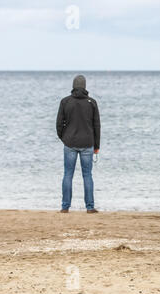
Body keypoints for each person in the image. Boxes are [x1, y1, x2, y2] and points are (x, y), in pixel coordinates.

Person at [56, 75, 101, 213]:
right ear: (85, 86)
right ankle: (90, 207)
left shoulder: (65, 102)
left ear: (73, 86)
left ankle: (65, 207)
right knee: (87, 175)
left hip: (70, 143)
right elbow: (97, 126)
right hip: (87, 143)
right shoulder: (91, 102)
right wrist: (97, 146)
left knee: (68, 174)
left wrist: (64, 138)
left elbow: (59, 124)